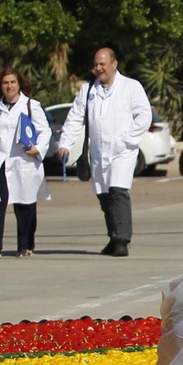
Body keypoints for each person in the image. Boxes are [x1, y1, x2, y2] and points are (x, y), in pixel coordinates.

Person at [55, 47, 150, 257]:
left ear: (114, 64)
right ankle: (113, 237)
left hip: (122, 151)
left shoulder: (131, 87)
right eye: (96, 64)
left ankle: (122, 240)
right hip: (98, 152)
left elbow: (144, 116)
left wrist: (126, 138)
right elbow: (75, 117)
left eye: (102, 64)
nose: (98, 68)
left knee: (118, 191)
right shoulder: (88, 89)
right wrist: (65, 143)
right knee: (104, 196)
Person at [0, 68, 51, 259]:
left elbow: (45, 131)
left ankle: (26, 245)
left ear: (19, 84)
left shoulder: (31, 106)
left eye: (12, 82)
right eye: (5, 83)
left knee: (24, 204)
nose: (9, 86)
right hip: (0, 161)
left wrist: (38, 149)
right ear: (0, 86)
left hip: (23, 161)